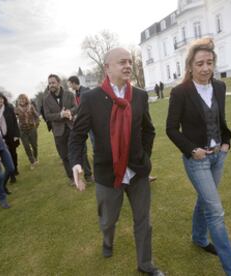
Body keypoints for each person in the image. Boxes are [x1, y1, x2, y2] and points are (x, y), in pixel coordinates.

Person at [69, 48, 164, 276]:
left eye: (130, 61)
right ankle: (107, 240)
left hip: (138, 173)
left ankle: (145, 264)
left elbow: (148, 130)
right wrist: (76, 163)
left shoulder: (139, 95)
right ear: (107, 67)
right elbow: (77, 136)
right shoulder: (91, 99)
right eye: (122, 62)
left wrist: (143, 156)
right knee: (108, 220)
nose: (128, 65)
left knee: (144, 221)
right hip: (107, 174)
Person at [166, 37, 231, 276]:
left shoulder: (220, 87)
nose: (206, 68)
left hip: (218, 156)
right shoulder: (180, 92)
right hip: (197, 159)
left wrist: (226, 142)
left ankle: (199, 238)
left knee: (205, 200)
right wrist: (192, 149)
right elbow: (171, 129)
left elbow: (220, 120)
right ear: (190, 66)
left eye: (209, 62)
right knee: (215, 210)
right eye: (200, 63)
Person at [43, 74, 78, 185]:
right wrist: (60, 115)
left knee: (77, 152)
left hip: (71, 127)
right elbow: (47, 116)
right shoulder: (46, 99)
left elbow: (76, 107)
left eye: (53, 82)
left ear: (59, 83)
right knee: (64, 155)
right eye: (49, 83)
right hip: (58, 131)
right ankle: (72, 177)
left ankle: (86, 174)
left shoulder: (69, 94)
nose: (51, 85)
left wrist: (70, 112)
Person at [68, 75, 94, 183]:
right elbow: (79, 108)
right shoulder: (76, 94)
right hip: (83, 123)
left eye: (69, 83)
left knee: (95, 143)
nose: (69, 86)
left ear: (74, 83)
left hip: (92, 122)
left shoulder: (86, 91)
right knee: (84, 147)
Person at [0, 93, 21, 182]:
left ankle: (15, 168)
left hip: (10, 135)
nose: (0, 100)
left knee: (13, 153)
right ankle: (11, 174)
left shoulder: (9, 108)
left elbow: (15, 122)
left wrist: (16, 134)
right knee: (4, 156)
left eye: (2, 98)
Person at [15, 94, 40, 170]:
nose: (22, 100)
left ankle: (35, 158)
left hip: (32, 129)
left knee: (34, 145)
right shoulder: (16, 109)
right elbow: (14, 120)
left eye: (23, 99)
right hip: (22, 131)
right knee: (26, 147)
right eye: (20, 99)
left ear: (26, 99)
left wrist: (36, 124)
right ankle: (32, 161)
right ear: (18, 100)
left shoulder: (31, 107)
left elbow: (37, 116)